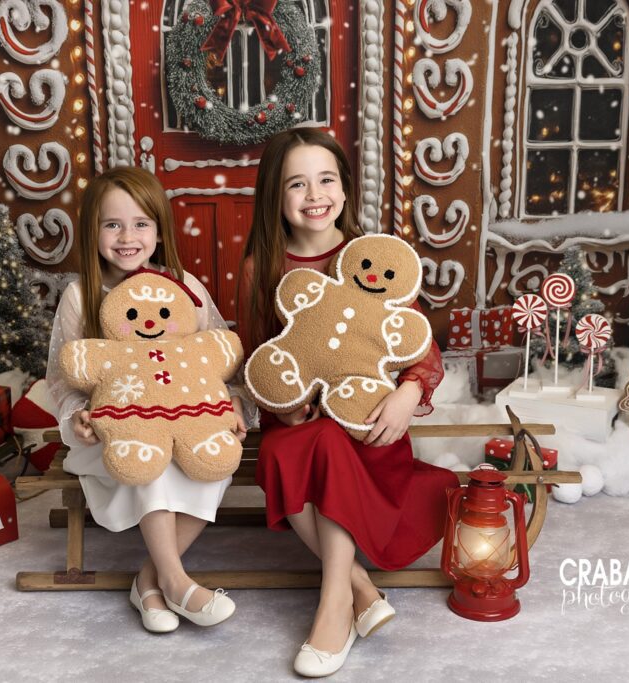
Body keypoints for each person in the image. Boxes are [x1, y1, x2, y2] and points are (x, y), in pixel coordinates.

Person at [239, 128, 459, 677]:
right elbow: (254, 358)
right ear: (275, 196)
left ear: (344, 187)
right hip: (300, 422)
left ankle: (333, 606)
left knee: (331, 444)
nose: (315, 195)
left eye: (326, 179)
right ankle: (356, 589)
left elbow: (416, 345)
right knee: (286, 452)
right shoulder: (260, 269)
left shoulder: (372, 259)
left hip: (368, 421)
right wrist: (282, 406)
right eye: (297, 184)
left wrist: (409, 393)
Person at [46, 167, 246, 633]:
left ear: (159, 230)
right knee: (150, 457)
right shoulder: (81, 296)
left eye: (140, 224)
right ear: (92, 231)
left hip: (188, 419)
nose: (127, 237)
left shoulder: (185, 287)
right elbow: (63, 377)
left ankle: (149, 579)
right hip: (116, 430)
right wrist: (78, 415)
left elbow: (218, 357)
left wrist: (234, 403)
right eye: (112, 225)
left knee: (211, 455)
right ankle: (177, 582)